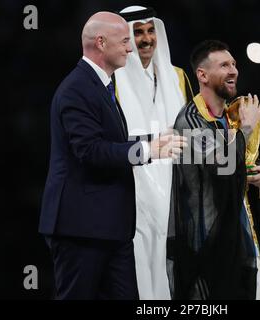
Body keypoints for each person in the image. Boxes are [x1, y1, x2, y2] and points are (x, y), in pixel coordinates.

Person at [38, 11, 186, 300]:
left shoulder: (101, 85)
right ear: (101, 43)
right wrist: (147, 150)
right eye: (124, 41)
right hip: (81, 228)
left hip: (111, 228)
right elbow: (90, 151)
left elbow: (112, 142)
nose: (130, 48)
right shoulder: (76, 89)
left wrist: (153, 142)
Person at [168, 40, 260, 299]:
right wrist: (246, 130)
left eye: (234, 64)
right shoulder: (190, 120)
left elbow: (240, 166)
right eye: (224, 65)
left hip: (241, 246)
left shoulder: (231, 117)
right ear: (202, 75)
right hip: (207, 256)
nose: (233, 71)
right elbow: (223, 166)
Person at [113, 5, 193, 300]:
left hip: (173, 189)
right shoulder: (112, 80)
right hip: (130, 189)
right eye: (137, 32)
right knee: (138, 270)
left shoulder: (178, 76)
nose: (146, 39)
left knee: (170, 271)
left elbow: (190, 132)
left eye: (150, 31)